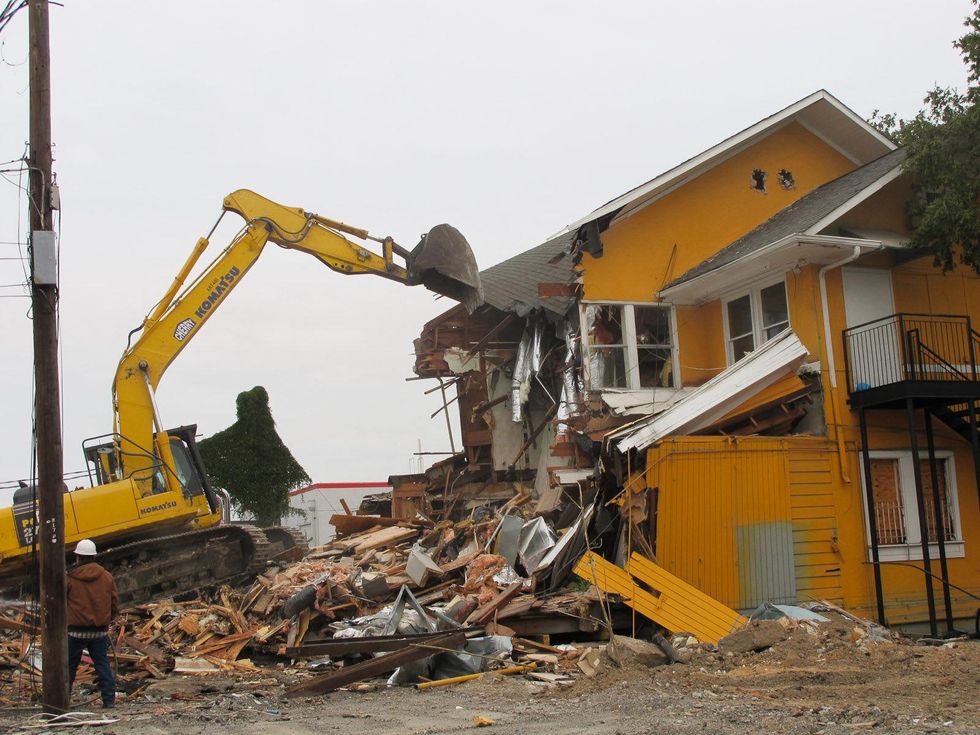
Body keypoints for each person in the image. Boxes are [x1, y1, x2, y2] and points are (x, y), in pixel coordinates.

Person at [66, 539, 119, 708]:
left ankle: (62, 700)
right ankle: (109, 700)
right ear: (94, 556)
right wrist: (109, 619)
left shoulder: (70, 578)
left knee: (69, 668)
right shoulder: (107, 577)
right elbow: (114, 602)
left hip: (75, 632)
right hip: (99, 632)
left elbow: (61, 601)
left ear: (78, 558)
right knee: (102, 664)